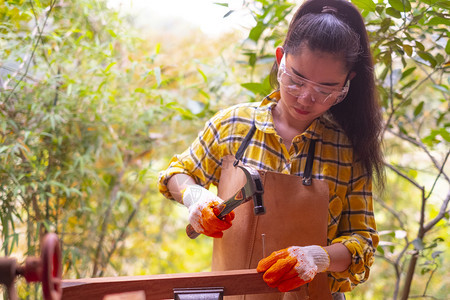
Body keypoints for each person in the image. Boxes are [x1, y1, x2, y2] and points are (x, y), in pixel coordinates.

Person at [158, 0, 384, 299]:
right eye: (297, 79)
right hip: (234, 294)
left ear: (346, 84)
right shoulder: (232, 125)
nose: (305, 98)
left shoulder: (347, 150)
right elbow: (178, 173)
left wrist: (318, 257)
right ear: (281, 59)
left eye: (325, 89)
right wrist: (194, 197)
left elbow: (363, 242)